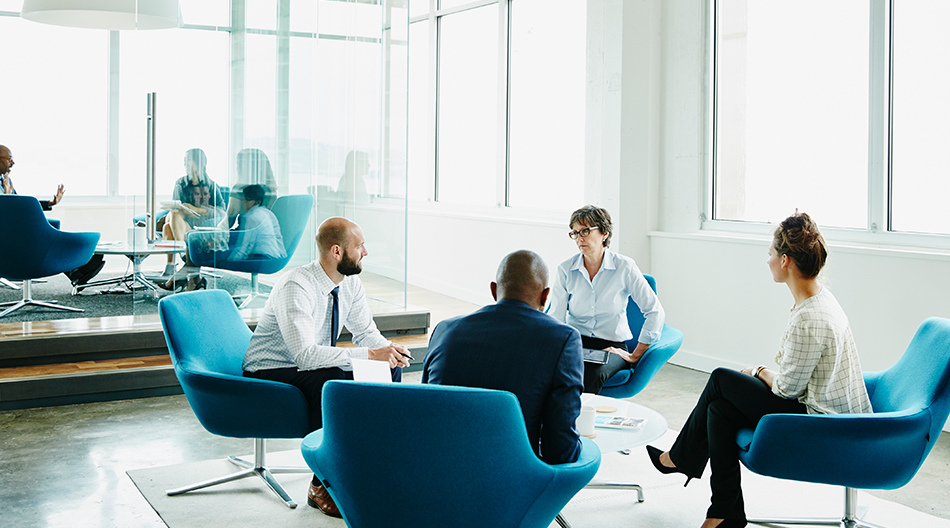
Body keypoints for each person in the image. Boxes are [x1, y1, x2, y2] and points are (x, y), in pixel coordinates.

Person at [646, 212, 873, 528]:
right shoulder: (819, 299)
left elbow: (787, 390)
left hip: (820, 420)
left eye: (770, 254)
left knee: (722, 379)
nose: (767, 261)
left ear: (785, 261)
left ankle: (680, 459)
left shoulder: (810, 317)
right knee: (720, 410)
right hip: (821, 405)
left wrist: (760, 371)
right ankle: (724, 513)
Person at [241, 216, 411, 518]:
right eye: (359, 247)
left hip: (311, 364)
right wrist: (369, 355)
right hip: (271, 368)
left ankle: (371, 463)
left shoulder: (350, 283)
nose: (365, 252)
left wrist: (388, 351)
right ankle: (321, 484)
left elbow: (365, 333)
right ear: (336, 252)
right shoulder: (297, 286)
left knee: (387, 368)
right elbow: (305, 356)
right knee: (331, 381)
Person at [422, 250, 584, 465]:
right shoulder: (563, 339)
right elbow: (560, 450)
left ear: (493, 290)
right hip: (513, 479)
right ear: (545, 296)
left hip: (437, 468)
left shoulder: (445, 330)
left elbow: (424, 409)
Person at [548, 205, 665, 394]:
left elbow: (655, 312)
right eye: (575, 233)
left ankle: (579, 421)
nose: (580, 238)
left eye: (585, 231)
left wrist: (635, 355)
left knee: (592, 373)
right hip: (575, 343)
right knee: (553, 370)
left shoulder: (624, 267)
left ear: (604, 233)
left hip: (611, 347)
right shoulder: (566, 269)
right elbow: (556, 317)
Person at [0, 144, 104, 286]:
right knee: (38, 232)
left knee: (42, 229)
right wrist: (6, 200)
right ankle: (76, 268)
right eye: (9, 159)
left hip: (13, 228)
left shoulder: (5, 181)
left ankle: (74, 268)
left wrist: (49, 203)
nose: (13, 163)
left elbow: (19, 205)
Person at [161, 148, 226, 276]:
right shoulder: (181, 183)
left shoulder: (211, 185)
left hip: (201, 223)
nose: (185, 164)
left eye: (188, 160)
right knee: (171, 219)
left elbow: (222, 212)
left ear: (199, 162)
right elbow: (175, 205)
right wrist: (184, 209)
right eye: (184, 161)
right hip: (182, 222)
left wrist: (196, 209)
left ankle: (173, 264)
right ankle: (185, 256)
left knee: (168, 227)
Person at [158, 183, 229, 292]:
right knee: (168, 225)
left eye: (205, 194)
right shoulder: (188, 209)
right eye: (198, 194)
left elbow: (223, 216)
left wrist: (197, 210)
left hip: (199, 239)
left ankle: (179, 270)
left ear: (210, 195)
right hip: (187, 235)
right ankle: (191, 275)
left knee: (171, 222)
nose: (202, 197)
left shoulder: (213, 211)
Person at [227, 184, 285, 261]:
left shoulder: (250, 217)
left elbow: (244, 247)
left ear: (256, 202)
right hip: (276, 257)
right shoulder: (268, 213)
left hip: (261, 257)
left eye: (247, 199)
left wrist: (230, 261)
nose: (243, 202)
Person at [227, 148, 278, 220]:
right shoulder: (271, 190)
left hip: (246, 230)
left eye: (239, 163)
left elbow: (228, 222)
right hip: (267, 231)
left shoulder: (239, 189)